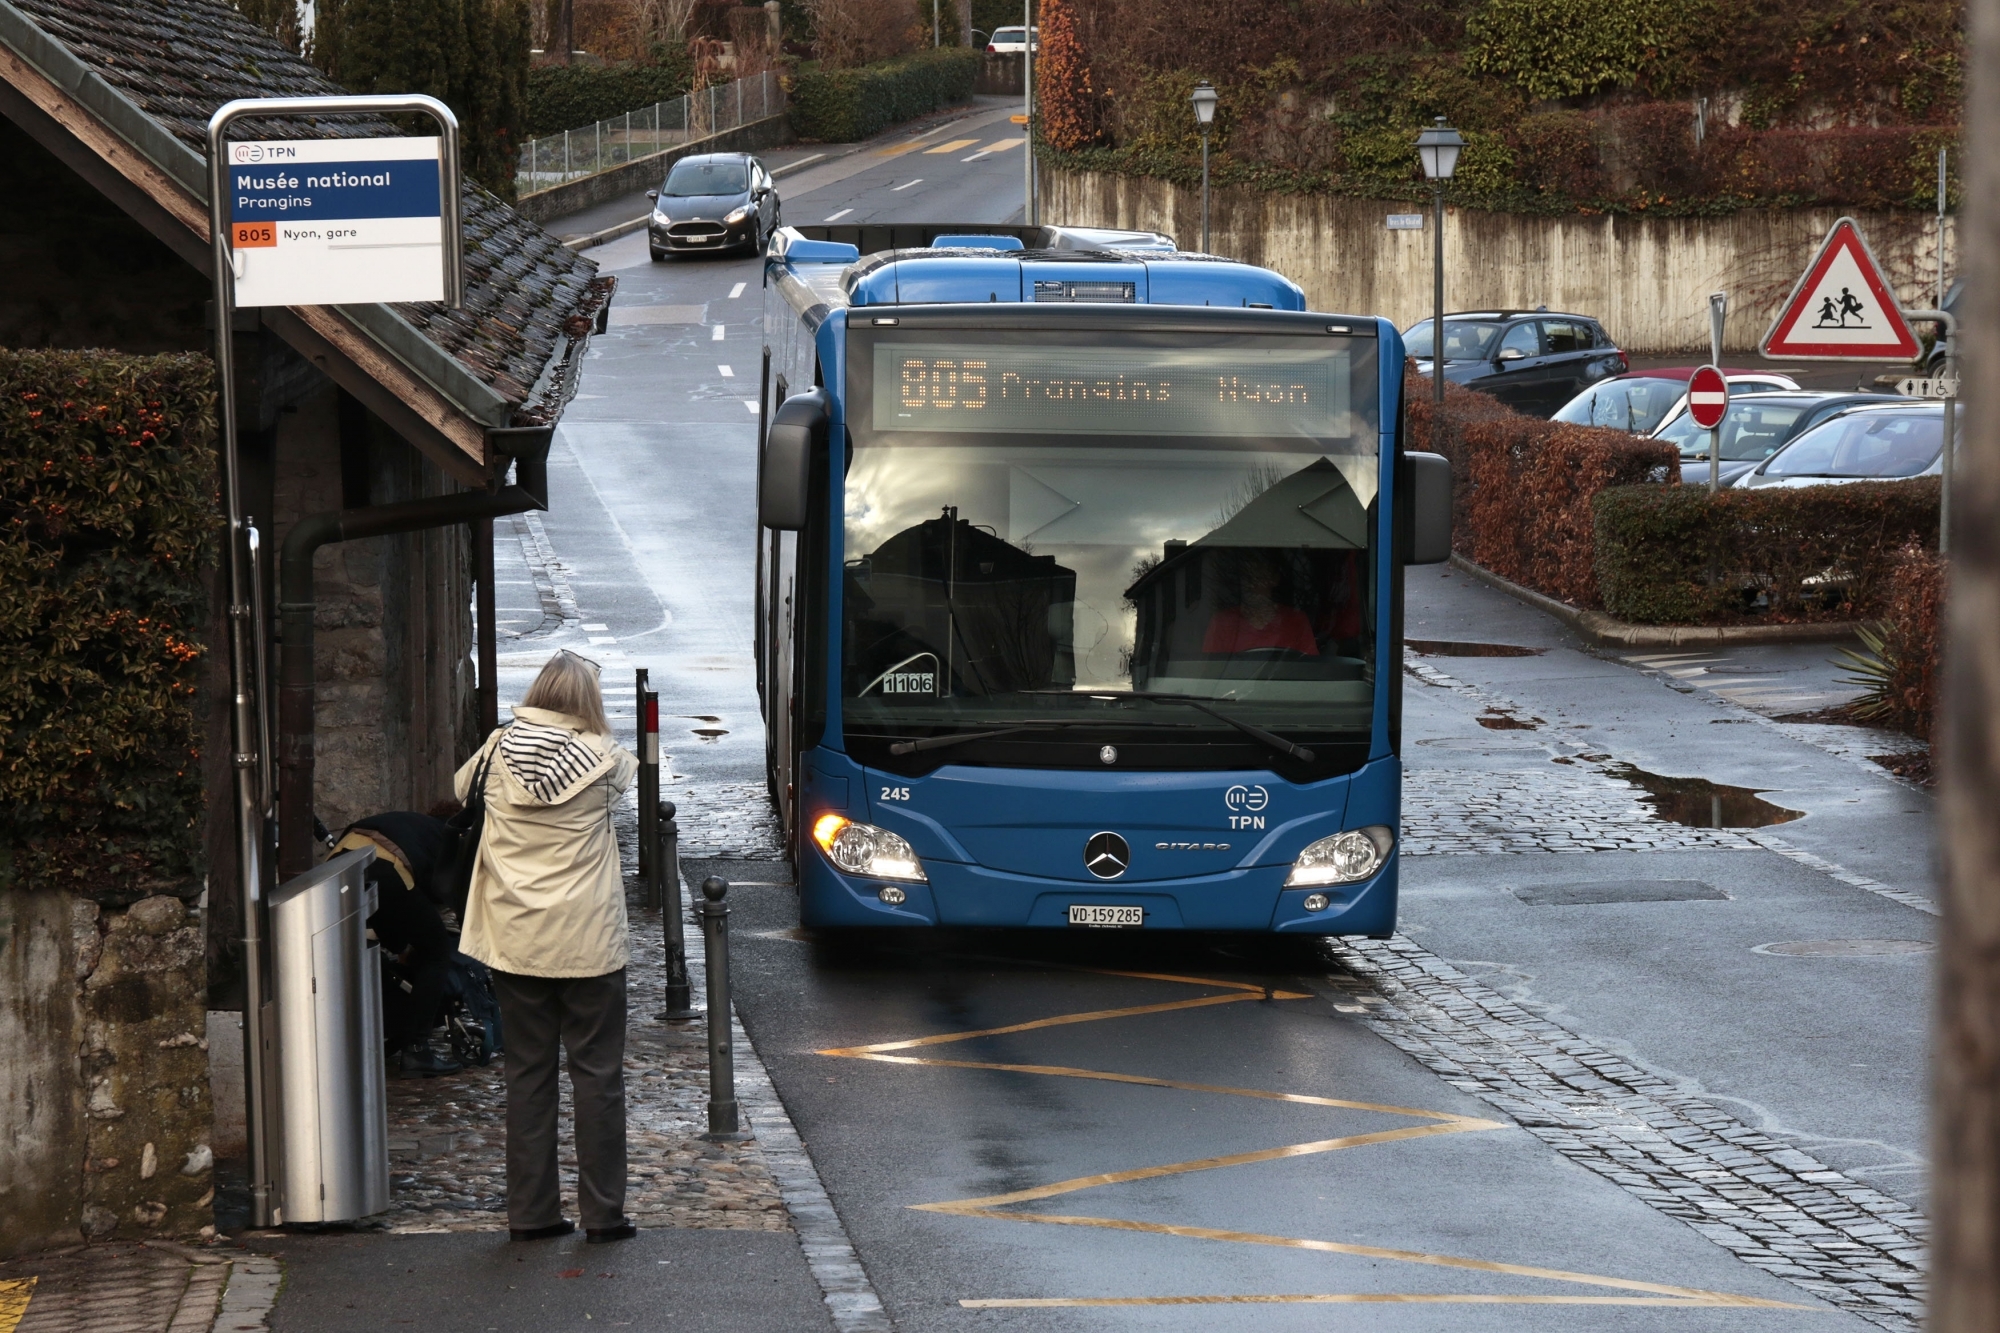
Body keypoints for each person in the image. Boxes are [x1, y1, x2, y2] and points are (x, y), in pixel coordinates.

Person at [454, 650, 640, 1245]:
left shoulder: (496, 750)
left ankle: (531, 1213)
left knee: (526, 1074)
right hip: (587, 940)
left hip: (515, 940)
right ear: (588, 702)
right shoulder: (608, 761)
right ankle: (604, 1214)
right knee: (597, 1076)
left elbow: (462, 791)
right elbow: (623, 786)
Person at [334, 811, 461, 1076]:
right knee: (436, 952)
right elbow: (445, 890)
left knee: (358, 950)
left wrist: (402, 945)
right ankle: (417, 1050)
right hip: (385, 868)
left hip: (339, 864)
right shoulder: (450, 837)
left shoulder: (415, 823)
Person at [1202, 551, 1319, 657]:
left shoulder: (1297, 621)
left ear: (1274, 579)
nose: (1252, 585)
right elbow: (1211, 670)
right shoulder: (1222, 622)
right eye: (1247, 578)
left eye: (1258, 577)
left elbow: (1309, 668)